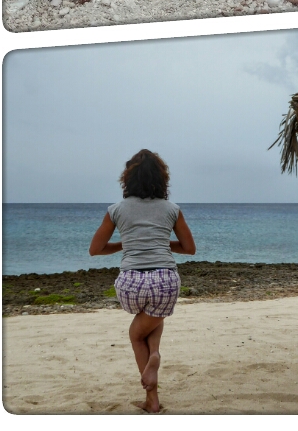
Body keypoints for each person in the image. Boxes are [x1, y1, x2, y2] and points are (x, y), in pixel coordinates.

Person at [89, 149, 196, 413]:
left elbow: (95, 249)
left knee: (139, 331)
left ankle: (152, 400)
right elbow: (189, 248)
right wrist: (158, 242)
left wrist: (126, 244)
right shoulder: (172, 209)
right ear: (162, 179)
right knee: (153, 317)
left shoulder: (116, 210)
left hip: (131, 282)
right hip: (165, 280)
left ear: (128, 179)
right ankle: (155, 356)